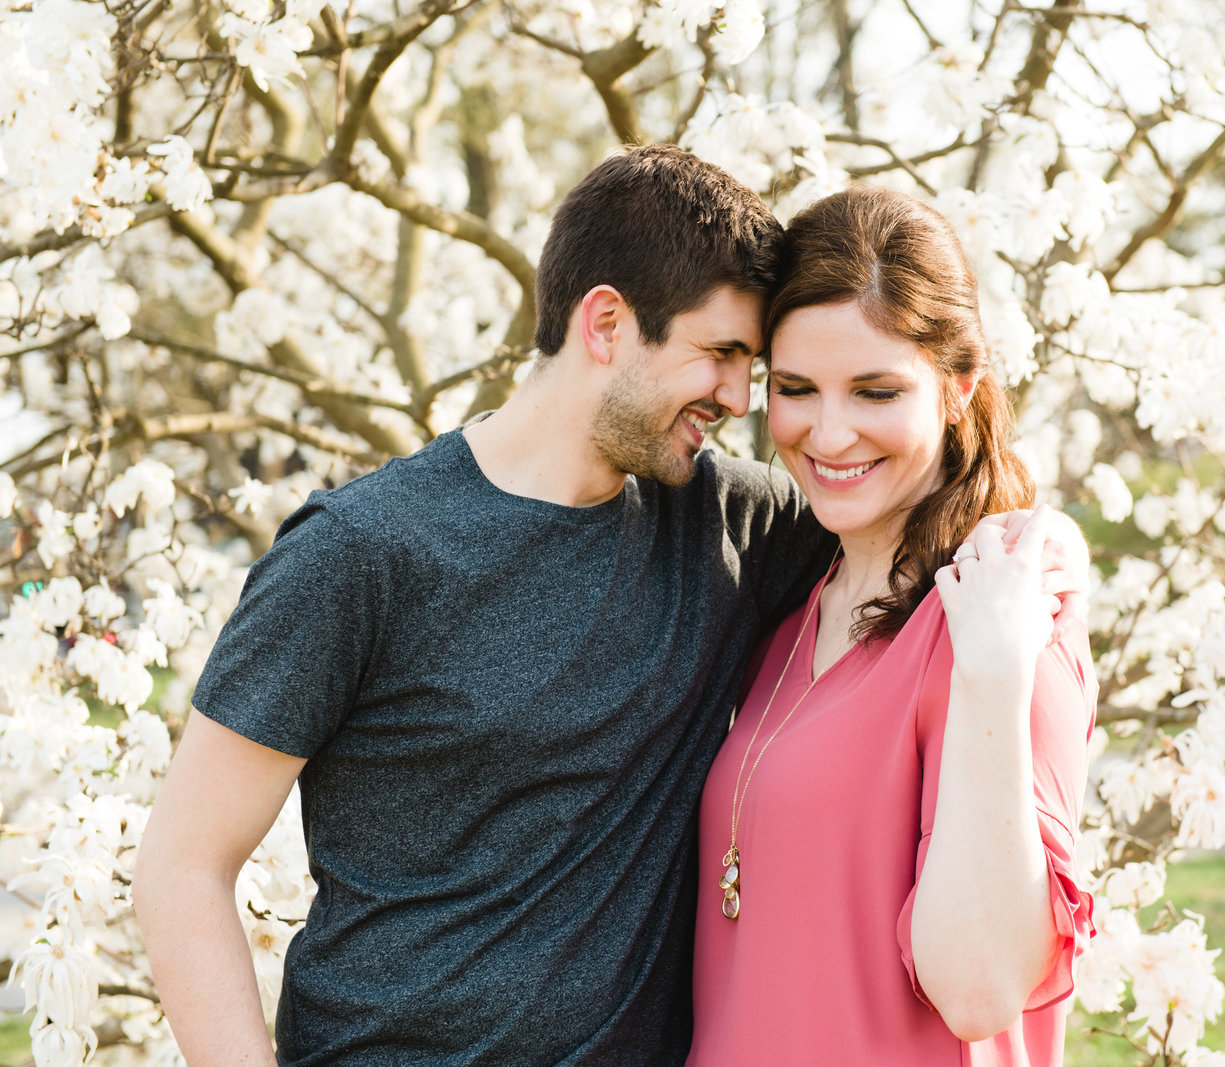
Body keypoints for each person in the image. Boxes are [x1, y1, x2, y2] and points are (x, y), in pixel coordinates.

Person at [132, 146, 1086, 1066]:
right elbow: (183, 865)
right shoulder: (361, 553)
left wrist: (1040, 543)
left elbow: (906, 491)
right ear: (606, 324)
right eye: (720, 354)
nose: (740, 395)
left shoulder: (732, 523)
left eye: (755, 365)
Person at [687, 185, 1098, 1067]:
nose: (828, 434)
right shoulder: (793, 606)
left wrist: (993, 672)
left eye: (876, 391)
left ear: (959, 388)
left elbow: (980, 988)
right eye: (796, 389)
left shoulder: (1009, 616)